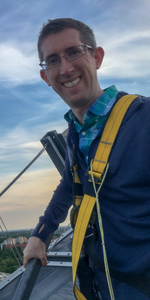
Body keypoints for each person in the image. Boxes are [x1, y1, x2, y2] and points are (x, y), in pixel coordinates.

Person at [23, 18, 150, 300]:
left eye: (74, 52)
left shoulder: (143, 119)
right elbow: (70, 183)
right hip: (102, 287)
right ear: (46, 77)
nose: (66, 68)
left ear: (97, 57)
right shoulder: (76, 131)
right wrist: (40, 234)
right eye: (53, 60)